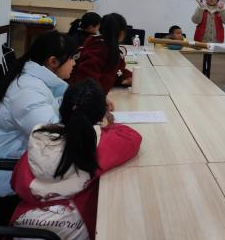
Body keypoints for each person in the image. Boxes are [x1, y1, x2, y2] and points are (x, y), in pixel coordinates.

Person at [10, 79, 142, 240]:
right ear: (101, 114)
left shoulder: (39, 141)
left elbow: (15, 181)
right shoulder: (97, 144)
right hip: (67, 229)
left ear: (61, 109)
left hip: (22, 228)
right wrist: (106, 125)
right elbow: (132, 137)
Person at [0, 31, 78, 197]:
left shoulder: (34, 81)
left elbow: (52, 108)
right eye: (72, 58)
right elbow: (51, 137)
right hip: (4, 178)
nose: (74, 63)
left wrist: (79, 100)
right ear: (53, 61)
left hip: (19, 164)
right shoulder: (27, 90)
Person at [70, 13, 132, 94]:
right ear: (121, 33)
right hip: (84, 97)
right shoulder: (98, 49)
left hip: (97, 94)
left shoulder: (111, 49)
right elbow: (87, 83)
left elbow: (116, 71)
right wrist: (99, 96)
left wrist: (126, 77)